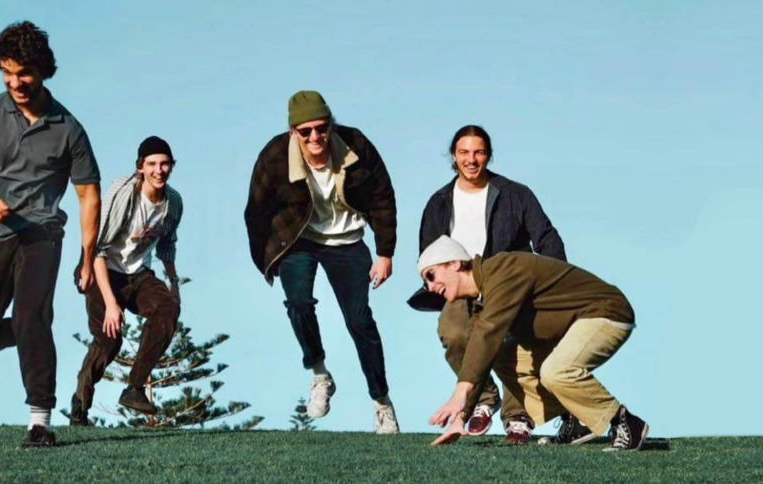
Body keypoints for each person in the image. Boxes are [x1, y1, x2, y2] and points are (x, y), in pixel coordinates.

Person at [0, 21, 101, 448]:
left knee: (31, 316)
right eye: (7, 72)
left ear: (43, 71)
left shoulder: (69, 129)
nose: (15, 82)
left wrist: (87, 257)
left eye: (24, 73)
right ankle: (31, 329)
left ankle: (40, 421)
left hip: (41, 234)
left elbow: (88, 196)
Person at [244, 90, 400, 434]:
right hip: (299, 239)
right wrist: (267, 262)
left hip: (348, 240)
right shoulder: (275, 156)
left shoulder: (356, 145)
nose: (315, 137)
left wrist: (385, 253)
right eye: (305, 131)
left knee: (359, 321)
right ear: (293, 132)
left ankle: (382, 402)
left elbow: (382, 196)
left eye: (321, 128)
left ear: (330, 125)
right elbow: (256, 210)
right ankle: (319, 374)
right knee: (298, 302)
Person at [409, 125, 566, 444]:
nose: (471, 159)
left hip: (506, 284)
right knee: (453, 333)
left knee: (508, 342)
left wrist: (554, 281)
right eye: (464, 152)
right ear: (454, 156)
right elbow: (429, 253)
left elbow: (546, 237)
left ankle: (518, 417)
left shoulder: (515, 194)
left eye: (479, 152)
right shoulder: (439, 201)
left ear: (488, 155)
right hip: (462, 283)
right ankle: (483, 398)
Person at [420, 236, 649, 451]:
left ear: (455, 264)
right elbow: (481, 354)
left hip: (606, 312)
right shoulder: (484, 297)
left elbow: (487, 332)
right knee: (504, 358)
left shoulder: (503, 269)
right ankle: (577, 420)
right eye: (424, 282)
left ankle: (626, 423)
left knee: (556, 371)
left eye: (431, 275)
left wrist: (459, 395)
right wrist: (461, 417)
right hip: (573, 325)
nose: (430, 287)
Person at [70, 136, 183, 426]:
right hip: (101, 269)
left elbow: (167, 244)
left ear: (171, 166)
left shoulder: (173, 202)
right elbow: (98, 248)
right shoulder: (124, 194)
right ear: (141, 167)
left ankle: (134, 388)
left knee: (168, 308)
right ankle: (80, 406)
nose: (159, 170)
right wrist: (111, 303)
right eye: (152, 164)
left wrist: (174, 284)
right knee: (109, 341)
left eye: (165, 164)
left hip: (137, 274)